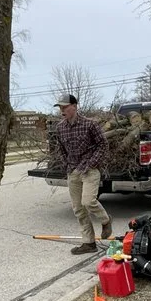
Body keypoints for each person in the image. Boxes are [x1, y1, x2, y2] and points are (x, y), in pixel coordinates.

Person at [53, 93, 113, 254]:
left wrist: (90, 164)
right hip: (73, 171)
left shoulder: (89, 124)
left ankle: (106, 221)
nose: (62, 110)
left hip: (90, 170)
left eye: (65, 107)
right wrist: (67, 164)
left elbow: (102, 145)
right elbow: (60, 149)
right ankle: (89, 243)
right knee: (78, 209)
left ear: (74, 106)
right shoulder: (60, 128)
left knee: (88, 202)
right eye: (60, 107)